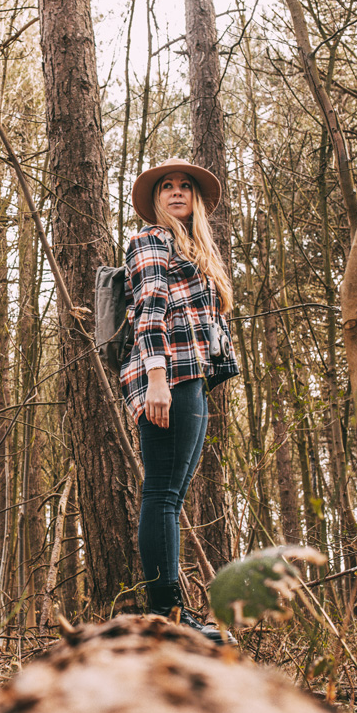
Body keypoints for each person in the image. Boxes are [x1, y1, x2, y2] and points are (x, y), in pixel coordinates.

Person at [121, 158, 240, 642]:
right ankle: (166, 613)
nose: (175, 193)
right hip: (167, 374)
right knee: (163, 492)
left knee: (170, 493)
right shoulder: (150, 240)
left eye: (184, 187)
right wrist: (156, 378)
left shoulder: (195, 251)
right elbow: (150, 307)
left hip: (191, 377)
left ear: (195, 198)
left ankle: (168, 613)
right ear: (155, 200)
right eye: (166, 187)